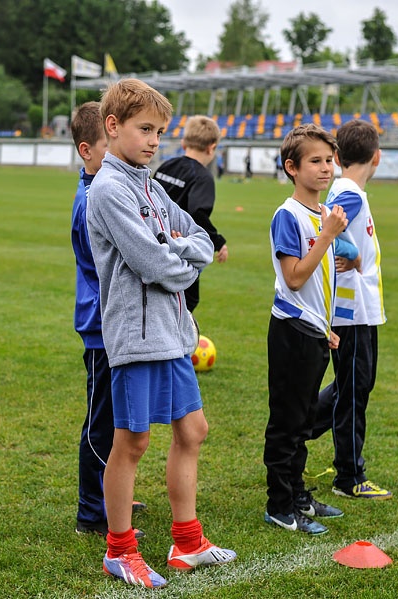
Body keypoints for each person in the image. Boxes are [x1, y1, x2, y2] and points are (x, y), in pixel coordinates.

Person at [85, 78, 236, 588]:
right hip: (136, 337)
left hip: (174, 333)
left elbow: (196, 235)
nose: (154, 140)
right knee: (132, 443)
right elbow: (155, 264)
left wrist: (179, 251)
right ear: (113, 126)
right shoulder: (107, 189)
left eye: (159, 131)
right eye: (144, 129)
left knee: (193, 431)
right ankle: (119, 549)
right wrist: (182, 257)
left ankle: (187, 542)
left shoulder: (148, 182)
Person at [263, 124, 349, 535]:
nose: (325, 168)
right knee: (287, 421)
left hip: (312, 330)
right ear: (292, 168)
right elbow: (294, 278)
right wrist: (327, 236)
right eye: (315, 161)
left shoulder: (320, 213)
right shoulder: (289, 215)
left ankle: (299, 496)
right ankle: (280, 504)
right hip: (291, 332)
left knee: (300, 420)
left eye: (329, 160)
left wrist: (325, 327)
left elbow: (319, 286)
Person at [69, 101, 146, 538]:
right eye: (107, 147)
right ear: (87, 150)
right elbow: (109, 269)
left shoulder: (108, 192)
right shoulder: (91, 201)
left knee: (120, 419)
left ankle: (113, 492)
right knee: (101, 423)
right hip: (103, 328)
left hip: (117, 325)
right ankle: (92, 511)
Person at [310, 119, 393, 500]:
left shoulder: (349, 189)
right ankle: (350, 477)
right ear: (377, 156)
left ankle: (299, 429)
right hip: (353, 312)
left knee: (351, 387)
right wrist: (348, 251)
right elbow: (324, 222)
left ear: (339, 156)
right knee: (355, 391)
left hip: (358, 310)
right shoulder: (350, 194)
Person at [153, 115, 228, 313]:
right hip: (181, 246)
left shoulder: (167, 166)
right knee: (188, 300)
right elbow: (198, 214)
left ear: (184, 143)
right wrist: (218, 242)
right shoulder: (203, 177)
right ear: (212, 147)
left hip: (154, 239)